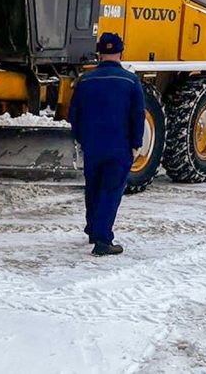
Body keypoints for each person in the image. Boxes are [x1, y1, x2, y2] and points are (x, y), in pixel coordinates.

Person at [67, 32, 145, 256]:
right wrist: (136, 143)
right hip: (119, 146)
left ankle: (92, 228)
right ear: (121, 52)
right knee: (111, 191)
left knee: (93, 187)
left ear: (99, 54)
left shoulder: (85, 81)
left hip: (93, 146)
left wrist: (82, 139)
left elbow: (75, 114)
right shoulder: (131, 81)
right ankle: (102, 240)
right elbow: (137, 115)